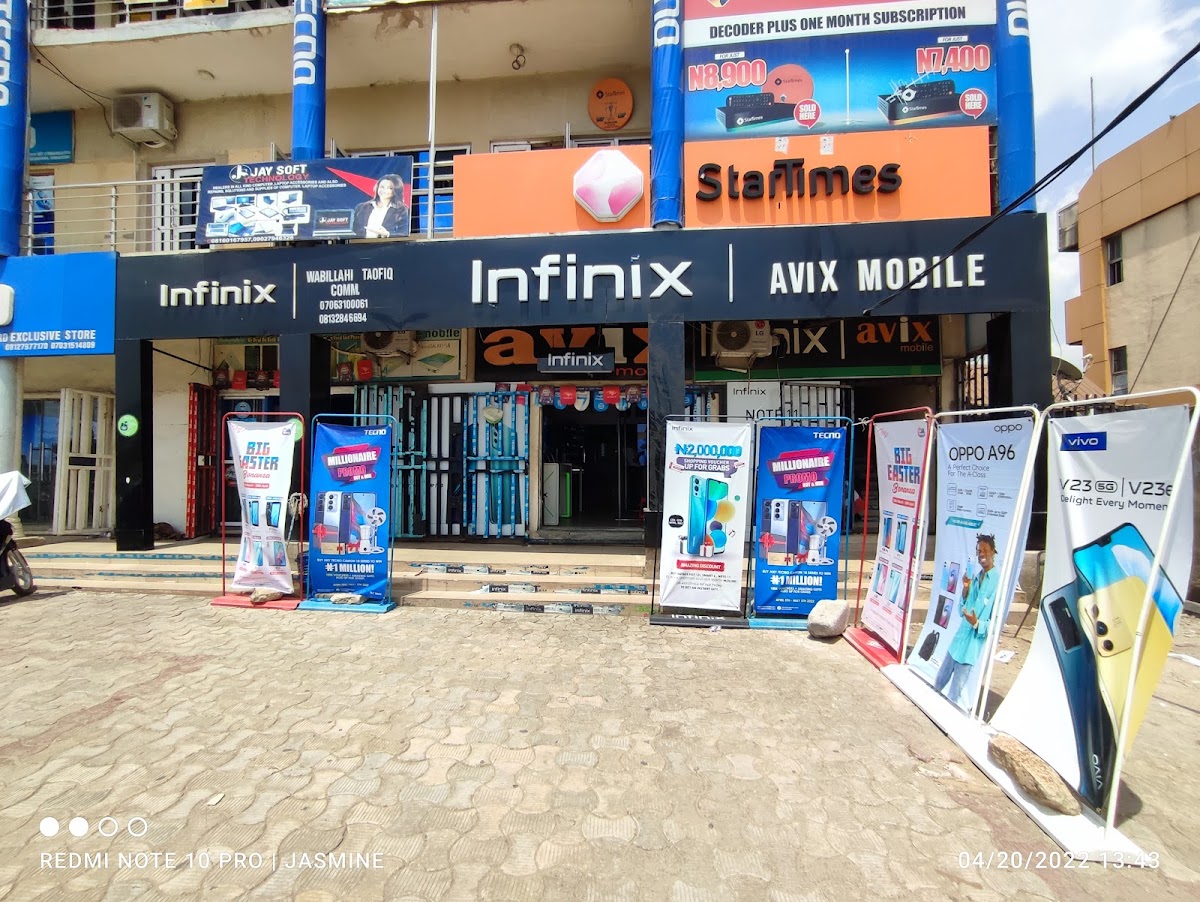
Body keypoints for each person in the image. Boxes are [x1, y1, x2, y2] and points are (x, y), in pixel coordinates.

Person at [934, 534, 999, 707]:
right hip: (958, 642)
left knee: (953, 696)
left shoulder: (998, 583)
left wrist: (976, 623)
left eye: (985, 550)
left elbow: (995, 624)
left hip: (970, 649)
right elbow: (961, 610)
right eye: (979, 551)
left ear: (993, 552)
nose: (981, 554)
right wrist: (965, 588)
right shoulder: (975, 578)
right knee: (937, 685)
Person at [352, 174, 410, 239]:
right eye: (382, 187)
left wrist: (387, 234)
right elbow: (354, 229)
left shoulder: (402, 210)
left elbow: (404, 233)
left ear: (396, 190)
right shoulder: (361, 207)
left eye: (390, 188)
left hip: (385, 244)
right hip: (361, 244)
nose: (384, 190)